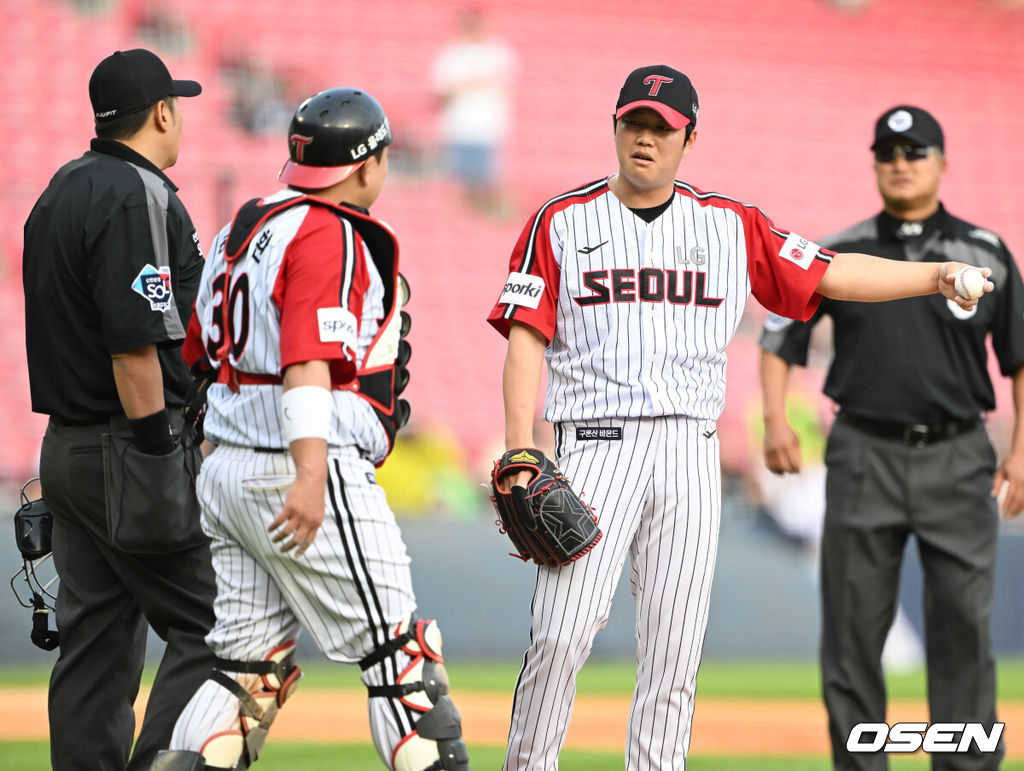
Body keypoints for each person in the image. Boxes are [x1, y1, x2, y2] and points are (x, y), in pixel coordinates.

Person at [486, 66, 993, 771]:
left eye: (662, 127)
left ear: (689, 139)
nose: (645, 137)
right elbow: (525, 337)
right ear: (613, 126)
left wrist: (934, 276)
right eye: (634, 122)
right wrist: (520, 445)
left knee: (674, 651)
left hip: (692, 451)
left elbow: (832, 272)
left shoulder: (728, 223)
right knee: (560, 635)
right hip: (596, 443)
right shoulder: (561, 220)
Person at [151, 88, 470, 771]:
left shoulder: (248, 221)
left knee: (244, 666)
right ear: (365, 164)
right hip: (292, 461)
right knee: (399, 658)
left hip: (229, 463)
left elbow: (199, 352)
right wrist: (308, 472)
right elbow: (304, 361)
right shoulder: (329, 231)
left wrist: (223, 456)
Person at [759, 105, 1024, 770]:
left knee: (963, 627)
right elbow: (777, 335)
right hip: (862, 455)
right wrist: (774, 417)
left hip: (960, 456)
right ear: (875, 163)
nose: (901, 163)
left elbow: (1020, 357)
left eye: (915, 151)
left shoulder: (986, 251)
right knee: (852, 632)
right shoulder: (841, 252)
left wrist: (1021, 449)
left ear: (943, 163)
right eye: (888, 153)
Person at [21, 48, 217, 770]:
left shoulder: (60, 187)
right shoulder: (137, 193)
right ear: (162, 111)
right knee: (221, 625)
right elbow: (136, 348)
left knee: (96, 646)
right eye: (178, 105)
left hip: (67, 446)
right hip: (129, 444)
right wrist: (162, 454)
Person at [431, 4, 515, 213]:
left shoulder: (497, 52)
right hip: (459, 128)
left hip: (486, 128)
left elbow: (504, 82)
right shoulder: (452, 54)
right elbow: (440, 93)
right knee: (459, 182)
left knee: (482, 183)